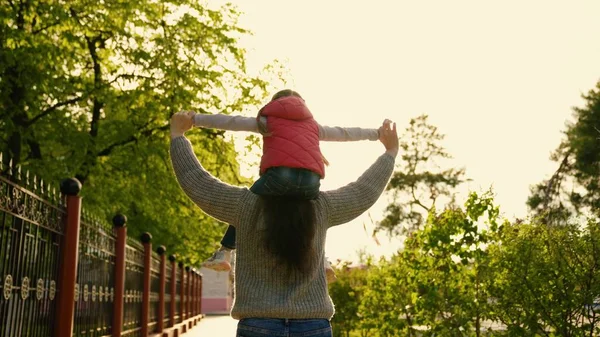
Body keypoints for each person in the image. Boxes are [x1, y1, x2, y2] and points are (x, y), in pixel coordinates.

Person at [169, 109, 398, 337]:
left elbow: (197, 182)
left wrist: (178, 135)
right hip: (313, 325)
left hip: (258, 324)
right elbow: (362, 192)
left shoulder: (246, 206)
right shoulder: (321, 207)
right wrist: (390, 153)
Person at [188, 90, 382, 283]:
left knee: (246, 207)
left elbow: (231, 122)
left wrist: (195, 119)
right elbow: (345, 133)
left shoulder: (268, 120)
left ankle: (225, 252)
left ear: (275, 102)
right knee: (313, 215)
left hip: (279, 176)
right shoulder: (313, 125)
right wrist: (377, 134)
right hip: (311, 182)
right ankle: (323, 261)